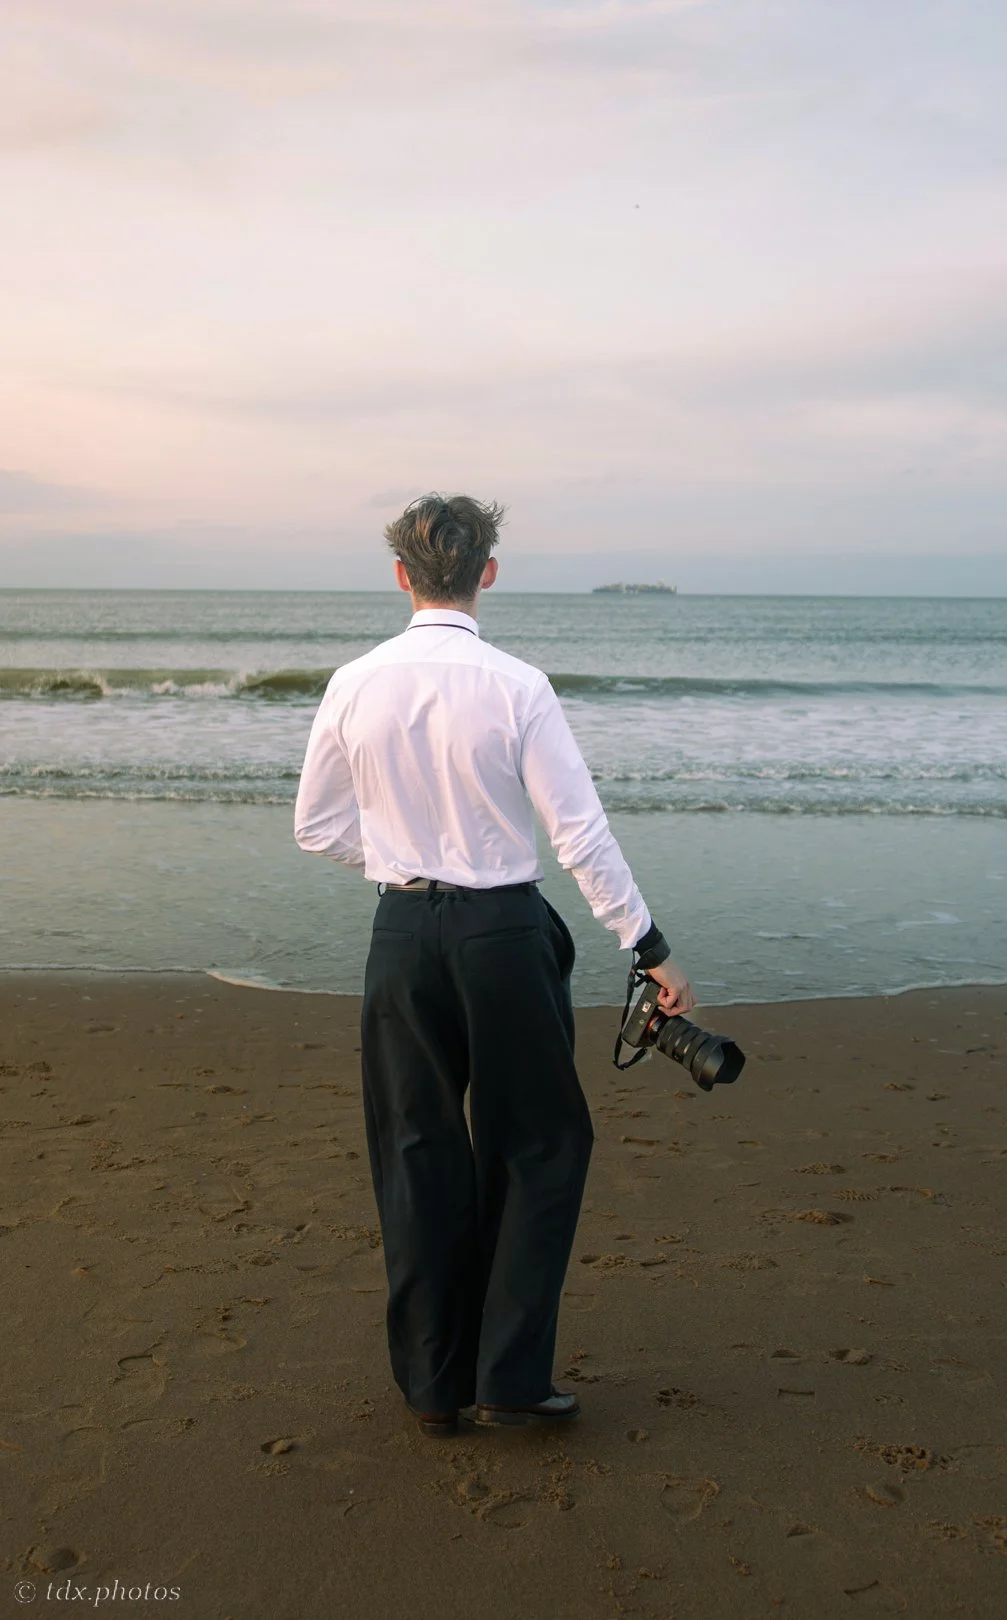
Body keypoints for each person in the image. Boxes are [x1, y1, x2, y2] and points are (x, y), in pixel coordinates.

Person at [294, 493, 696, 1437]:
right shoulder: (518, 686)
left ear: (401, 576)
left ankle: (435, 1387)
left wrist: (399, 868)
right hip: (503, 937)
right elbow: (579, 836)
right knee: (540, 1145)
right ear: (488, 573)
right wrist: (648, 946)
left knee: (415, 1152)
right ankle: (511, 1376)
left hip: (402, 939)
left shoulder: (354, 681)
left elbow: (316, 827)